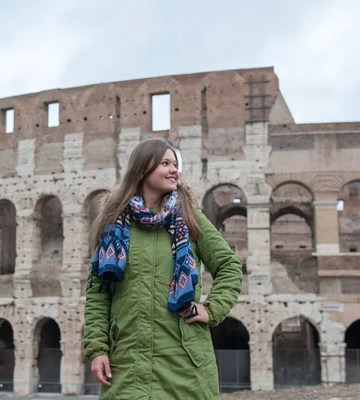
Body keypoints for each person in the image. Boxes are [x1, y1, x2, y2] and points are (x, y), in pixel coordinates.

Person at [83, 138, 244, 399]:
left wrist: (212, 308)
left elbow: (229, 266)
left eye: (175, 164)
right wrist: (97, 348)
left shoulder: (189, 217)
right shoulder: (114, 226)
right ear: (142, 169)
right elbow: (98, 294)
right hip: (128, 364)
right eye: (165, 163)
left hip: (183, 362)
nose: (174, 170)